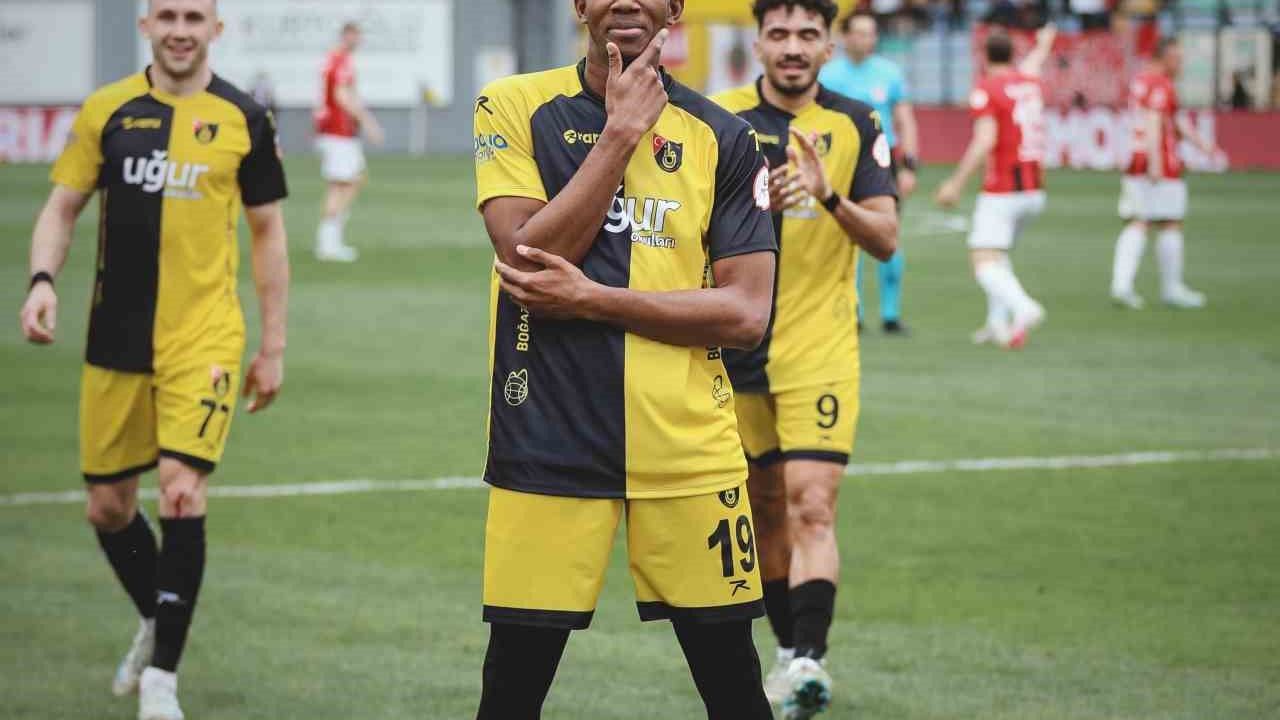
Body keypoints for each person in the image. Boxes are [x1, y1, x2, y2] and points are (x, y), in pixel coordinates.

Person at [471, 1, 781, 717]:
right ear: (580, 4)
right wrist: (620, 136)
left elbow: (745, 314)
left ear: (676, 7)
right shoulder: (512, 105)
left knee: (735, 688)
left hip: (687, 450)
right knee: (511, 690)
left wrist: (594, 300)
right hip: (546, 440)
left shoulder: (725, 136)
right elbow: (525, 261)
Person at [17, 1, 289, 718]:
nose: (180, 29)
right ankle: (155, 617)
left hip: (204, 338)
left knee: (180, 492)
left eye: (194, 17)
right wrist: (42, 281)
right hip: (116, 335)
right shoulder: (106, 110)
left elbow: (267, 233)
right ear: (146, 25)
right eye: (167, 15)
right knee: (109, 508)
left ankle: (161, 681)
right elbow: (61, 208)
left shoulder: (244, 118)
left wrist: (273, 345)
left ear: (215, 29)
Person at [712, 1, 898, 717]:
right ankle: (790, 654)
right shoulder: (718, 118)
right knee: (763, 511)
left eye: (808, 35)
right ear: (758, 43)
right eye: (780, 34)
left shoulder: (856, 123)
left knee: (812, 505)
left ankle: (811, 659)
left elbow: (885, 238)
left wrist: (828, 195)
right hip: (735, 345)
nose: (793, 47)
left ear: (829, 47)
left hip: (818, 345)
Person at [936, 26, 1055, 349]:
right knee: (997, 255)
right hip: (1034, 190)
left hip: (1003, 190)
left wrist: (955, 184)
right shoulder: (1028, 83)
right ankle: (996, 324)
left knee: (983, 259)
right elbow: (1035, 62)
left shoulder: (987, 89)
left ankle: (1024, 308)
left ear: (983, 56)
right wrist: (1044, 42)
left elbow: (984, 140)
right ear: (1012, 55)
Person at [820, 10, 918, 334]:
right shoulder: (828, 75)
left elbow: (904, 119)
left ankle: (891, 314)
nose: (866, 39)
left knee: (888, 233)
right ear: (845, 36)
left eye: (871, 33)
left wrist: (909, 165)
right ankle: (855, 311)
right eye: (860, 33)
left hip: (882, 162)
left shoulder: (889, 73)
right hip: (841, 161)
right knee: (849, 235)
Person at [1111, 37, 1224, 310]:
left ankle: (1122, 285)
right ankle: (1170, 289)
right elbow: (1154, 121)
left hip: (1137, 158)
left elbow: (1173, 120)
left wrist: (1202, 144)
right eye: (1178, 58)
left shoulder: (1141, 80)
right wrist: (1156, 163)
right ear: (1164, 57)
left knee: (1139, 220)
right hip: (1159, 161)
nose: (1181, 64)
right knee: (1168, 222)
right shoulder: (1160, 84)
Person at [314, 21, 383, 262]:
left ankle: (330, 237)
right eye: (354, 36)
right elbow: (341, 96)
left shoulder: (334, 60)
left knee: (349, 181)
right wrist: (367, 121)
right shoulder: (340, 61)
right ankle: (329, 241)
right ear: (346, 36)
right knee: (344, 184)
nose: (358, 41)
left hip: (336, 132)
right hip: (339, 132)